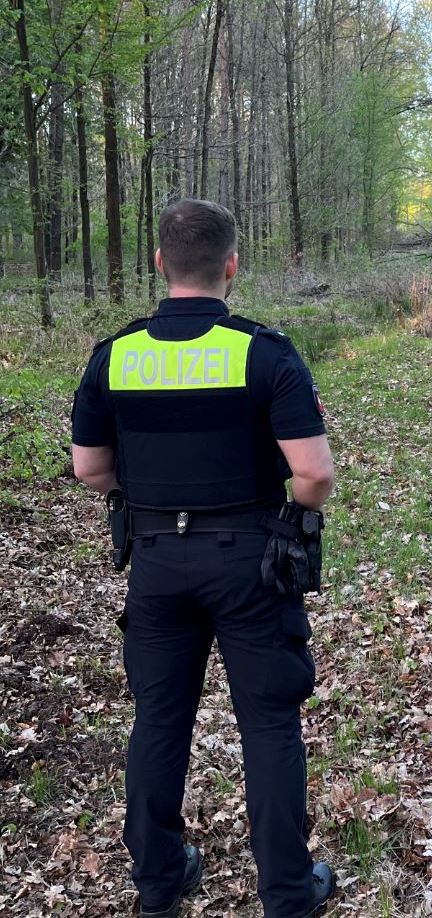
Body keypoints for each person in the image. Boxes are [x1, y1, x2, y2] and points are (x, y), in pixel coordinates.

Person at [70, 199, 336, 918]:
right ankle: (286, 891)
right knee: (270, 724)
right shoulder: (264, 351)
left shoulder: (115, 354)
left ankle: (159, 883)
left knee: (158, 719)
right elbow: (312, 475)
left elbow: (89, 468)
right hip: (249, 559)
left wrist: (151, 495)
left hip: (156, 557)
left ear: (159, 264)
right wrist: (294, 517)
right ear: (231, 266)